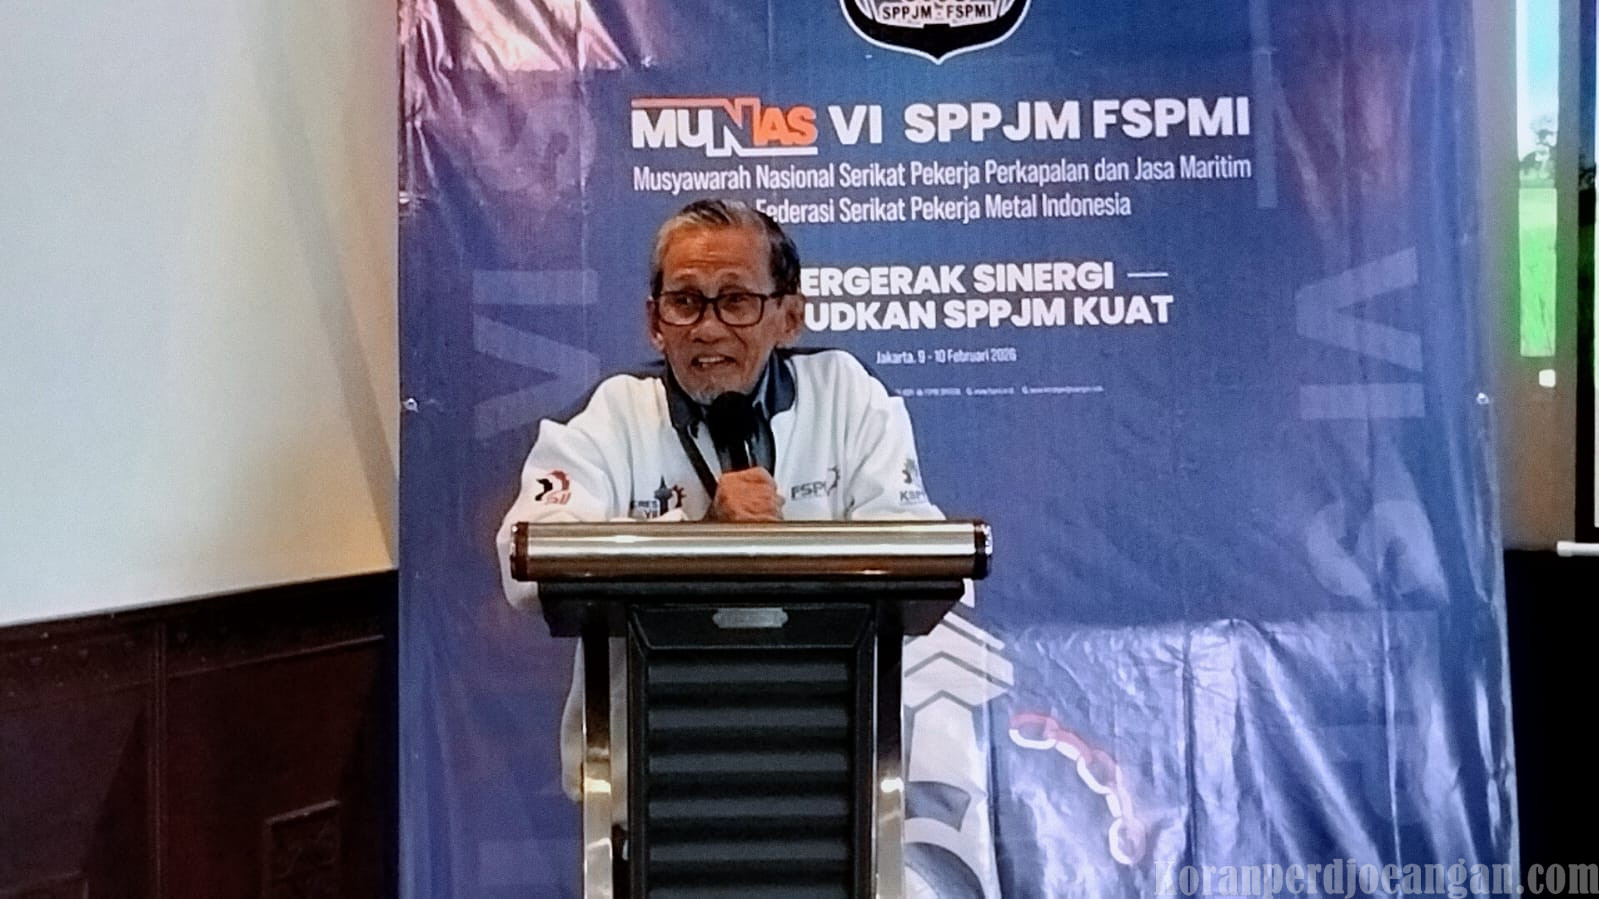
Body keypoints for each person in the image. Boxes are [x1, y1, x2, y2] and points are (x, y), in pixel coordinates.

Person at [495, 197, 945, 795]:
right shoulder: (614, 414)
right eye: (685, 301)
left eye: (735, 301)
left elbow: (917, 555)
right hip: (648, 768)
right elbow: (526, 563)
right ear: (654, 322)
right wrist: (702, 534)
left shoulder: (848, 396)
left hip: (830, 758)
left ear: (789, 317)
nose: (708, 327)